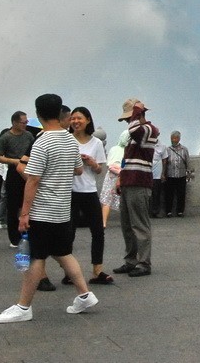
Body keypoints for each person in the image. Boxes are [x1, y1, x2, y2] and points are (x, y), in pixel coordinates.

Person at [0, 93, 99, 323]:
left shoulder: (42, 141)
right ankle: (84, 294)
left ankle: (23, 307)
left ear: (38, 114)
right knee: (63, 253)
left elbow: (33, 180)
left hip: (43, 210)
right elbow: (79, 170)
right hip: (62, 209)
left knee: (35, 258)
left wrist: (24, 213)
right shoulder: (70, 140)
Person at [64, 106, 111, 286]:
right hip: (70, 191)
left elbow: (99, 170)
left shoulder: (96, 143)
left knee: (98, 231)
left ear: (88, 120)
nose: (76, 122)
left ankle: (97, 270)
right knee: (69, 233)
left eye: (79, 118)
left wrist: (91, 162)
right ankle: (69, 271)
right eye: (73, 119)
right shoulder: (67, 141)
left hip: (89, 191)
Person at [113, 98, 157, 278]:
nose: (126, 122)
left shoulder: (148, 130)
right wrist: (120, 179)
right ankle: (131, 260)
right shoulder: (134, 133)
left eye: (128, 118)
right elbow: (127, 159)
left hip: (139, 181)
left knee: (140, 224)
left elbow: (133, 129)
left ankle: (144, 262)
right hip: (128, 180)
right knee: (127, 225)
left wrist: (136, 112)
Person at [0, 111, 36, 247]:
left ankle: (30, 234)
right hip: (13, 171)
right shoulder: (6, 137)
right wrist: (15, 161)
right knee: (12, 206)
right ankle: (14, 238)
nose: (25, 125)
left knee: (29, 202)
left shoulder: (29, 135)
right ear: (15, 123)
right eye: (23, 123)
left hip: (28, 170)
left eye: (26, 122)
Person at [99, 134, 125, 227]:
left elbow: (108, 163)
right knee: (124, 199)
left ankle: (103, 222)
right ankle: (126, 222)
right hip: (123, 175)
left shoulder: (113, 149)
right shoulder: (128, 150)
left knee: (107, 199)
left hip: (110, 175)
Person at [163, 131, 190, 217]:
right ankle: (168, 211)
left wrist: (188, 172)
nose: (174, 140)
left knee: (181, 194)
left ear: (179, 139)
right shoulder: (167, 150)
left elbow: (188, 162)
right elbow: (165, 162)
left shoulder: (184, 149)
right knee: (169, 194)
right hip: (170, 175)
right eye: (172, 138)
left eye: (175, 138)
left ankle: (180, 211)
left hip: (181, 175)